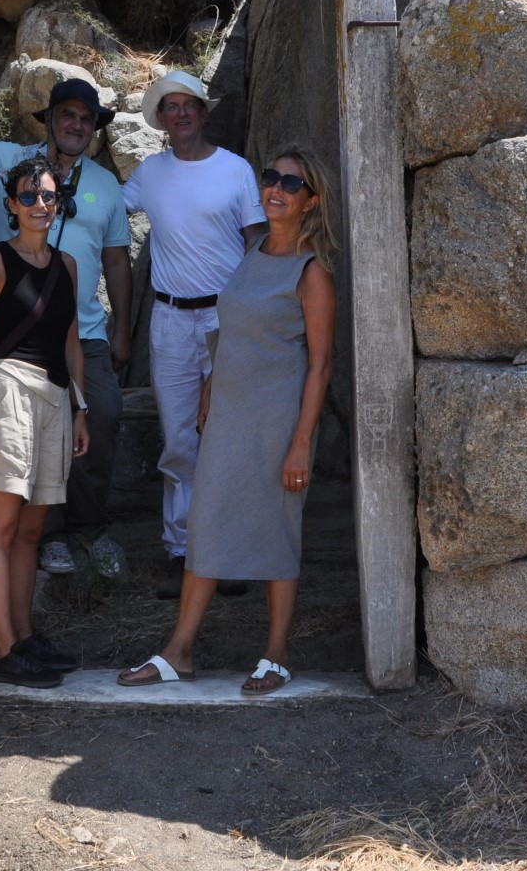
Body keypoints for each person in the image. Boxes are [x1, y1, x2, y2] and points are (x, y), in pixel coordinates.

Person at [118, 148, 337, 695]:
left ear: (311, 202)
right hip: (229, 413)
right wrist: (212, 384)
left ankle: (276, 654)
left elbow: (320, 365)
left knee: (278, 527)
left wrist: (301, 444)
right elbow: (234, 329)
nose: (276, 188)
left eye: (292, 183)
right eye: (271, 177)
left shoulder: (311, 272)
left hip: (277, 421)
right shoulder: (254, 250)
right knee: (205, 521)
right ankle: (179, 652)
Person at [0, 53, 132, 581]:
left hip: (82, 334)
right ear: (49, 119)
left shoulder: (106, 186)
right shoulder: (5, 161)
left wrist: (123, 330)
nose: (76, 124)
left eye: (86, 118)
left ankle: (90, 527)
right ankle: (50, 535)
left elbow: (116, 262)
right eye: (67, 114)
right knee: (33, 437)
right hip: (17, 346)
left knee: (101, 416)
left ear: (95, 127)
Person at [120, 70, 267, 599]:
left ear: (204, 113)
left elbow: (257, 243)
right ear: (160, 119)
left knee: (229, 436)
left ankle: (228, 551)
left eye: (189, 105)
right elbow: (104, 210)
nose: (180, 113)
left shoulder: (236, 169)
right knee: (180, 438)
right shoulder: (149, 173)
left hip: (226, 319)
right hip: (171, 321)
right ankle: (182, 553)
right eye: (171, 106)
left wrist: (254, 316)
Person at [0, 154, 90, 688]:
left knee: (32, 531)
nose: (39, 204)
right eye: (28, 196)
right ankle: (4, 649)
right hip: (8, 391)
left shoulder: (67, 266)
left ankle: (25, 639)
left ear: (59, 202)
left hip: (55, 397)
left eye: (48, 195)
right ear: (11, 204)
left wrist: (80, 409)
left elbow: (71, 343)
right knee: (1, 529)